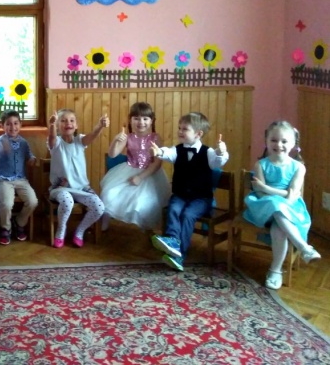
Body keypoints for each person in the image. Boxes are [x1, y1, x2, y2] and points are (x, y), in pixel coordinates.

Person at [242, 120, 321, 290]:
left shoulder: (298, 167)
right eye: (274, 140)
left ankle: (275, 270)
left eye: (284, 141)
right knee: (274, 203)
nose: (279, 145)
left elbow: (292, 196)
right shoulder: (261, 164)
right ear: (266, 141)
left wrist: (267, 188)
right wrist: (274, 192)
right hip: (262, 207)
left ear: (292, 144)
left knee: (279, 228)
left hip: (290, 209)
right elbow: (261, 194)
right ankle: (304, 247)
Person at [150, 112, 228, 271]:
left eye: (184, 129)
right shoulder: (177, 150)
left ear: (198, 134)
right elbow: (167, 152)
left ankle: (180, 254)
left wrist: (221, 152)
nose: (180, 131)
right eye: (179, 128)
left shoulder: (208, 152)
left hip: (201, 198)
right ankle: (173, 240)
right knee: (173, 208)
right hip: (180, 195)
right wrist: (159, 152)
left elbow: (218, 162)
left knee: (188, 215)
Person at [99, 102, 170, 232]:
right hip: (128, 171)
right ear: (130, 120)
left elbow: (157, 163)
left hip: (149, 174)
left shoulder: (155, 138)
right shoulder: (128, 137)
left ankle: (148, 229)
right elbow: (112, 154)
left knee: (142, 202)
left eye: (145, 119)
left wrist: (140, 177)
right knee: (109, 194)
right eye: (136, 118)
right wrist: (115, 141)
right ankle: (105, 217)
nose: (141, 122)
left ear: (151, 120)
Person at [47, 109, 109, 248]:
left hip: (81, 188)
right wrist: (51, 125)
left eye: (71, 120)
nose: (68, 123)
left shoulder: (79, 141)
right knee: (67, 202)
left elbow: (92, 136)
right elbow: (51, 138)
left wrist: (100, 125)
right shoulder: (57, 143)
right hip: (61, 188)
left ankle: (80, 231)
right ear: (58, 125)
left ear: (76, 125)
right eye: (63, 121)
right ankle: (61, 230)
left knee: (99, 208)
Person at [0, 110, 38, 245]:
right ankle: (5, 228)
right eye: (8, 124)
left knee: (33, 201)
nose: (13, 127)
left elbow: (29, 155)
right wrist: (4, 148)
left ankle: (19, 222)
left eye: (16, 123)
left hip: (21, 180)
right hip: (5, 180)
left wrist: (32, 159)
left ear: (20, 125)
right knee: (7, 203)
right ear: (2, 126)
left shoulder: (23, 142)